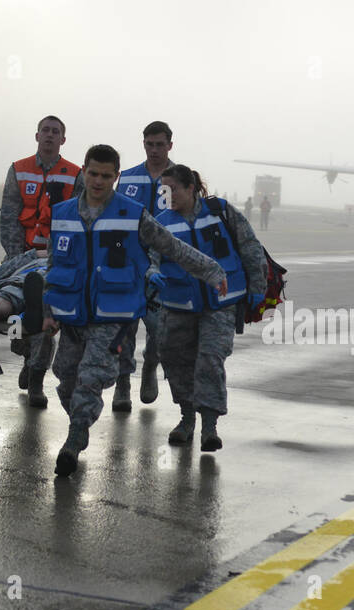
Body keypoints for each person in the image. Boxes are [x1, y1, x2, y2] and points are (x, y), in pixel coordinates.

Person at [40, 145, 227, 477]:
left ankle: (74, 439)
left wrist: (210, 270)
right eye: (93, 174)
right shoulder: (64, 213)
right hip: (71, 315)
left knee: (90, 380)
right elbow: (55, 265)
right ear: (83, 171)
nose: (98, 181)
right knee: (66, 378)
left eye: (106, 176)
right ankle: (78, 422)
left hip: (111, 316)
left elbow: (171, 246)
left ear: (117, 176)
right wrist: (48, 311)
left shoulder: (132, 214)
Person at [153, 165, 267, 452]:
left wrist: (257, 289)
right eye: (162, 190)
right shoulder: (160, 222)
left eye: (172, 189)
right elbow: (149, 257)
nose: (167, 195)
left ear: (190, 188)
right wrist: (150, 273)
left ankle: (209, 427)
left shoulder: (221, 212)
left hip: (220, 304)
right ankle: (186, 418)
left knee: (210, 360)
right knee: (175, 360)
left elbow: (250, 246)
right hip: (178, 305)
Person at [0, 115, 81, 407]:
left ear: (63, 139)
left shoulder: (75, 174)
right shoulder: (19, 170)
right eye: (45, 130)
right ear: (36, 136)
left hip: (55, 259)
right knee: (15, 315)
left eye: (55, 131)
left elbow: (77, 220)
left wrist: (61, 258)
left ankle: (36, 378)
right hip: (21, 256)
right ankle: (23, 353)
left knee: (44, 316)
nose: (49, 135)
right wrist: (18, 255)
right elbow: (9, 214)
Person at [112, 120, 176, 410]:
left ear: (170, 145)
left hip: (165, 268)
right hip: (130, 264)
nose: (154, 150)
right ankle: (123, 383)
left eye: (159, 144)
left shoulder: (180, 179)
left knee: (159, 330)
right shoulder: (127, 178)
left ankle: (151, 365)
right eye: (149, 144)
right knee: (124, 327)